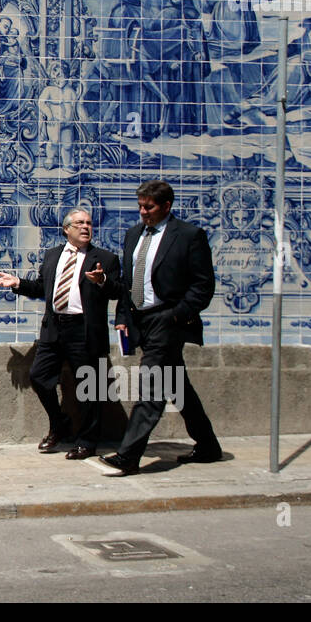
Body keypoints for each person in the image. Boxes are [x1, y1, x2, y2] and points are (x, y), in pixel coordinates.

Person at [103, 179, 222, 475]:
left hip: (168, 320)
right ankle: (208, 445)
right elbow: (130, 284)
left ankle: (129, 456)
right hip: (141, 320)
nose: (143, 212)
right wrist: (120, 312)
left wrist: (176, 316)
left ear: (166, 206)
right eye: (141, 206)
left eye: (149, 206)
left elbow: (203, 286)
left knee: (151, 387)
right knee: (178, 385)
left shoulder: (189, 236)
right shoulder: (133, 235)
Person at [0, 208, 122, 460]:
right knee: (39, 376)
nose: (86, 228)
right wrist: (18, 283)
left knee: (88, 388)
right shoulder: (53, 256)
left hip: (83, 330)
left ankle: (87, 441)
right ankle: (60, 423)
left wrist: (103, 280)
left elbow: (118, 291)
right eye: (79, 223)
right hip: (54, 327)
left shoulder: (105, 259)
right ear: (67, 229)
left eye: (89, 224)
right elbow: (43, 287)